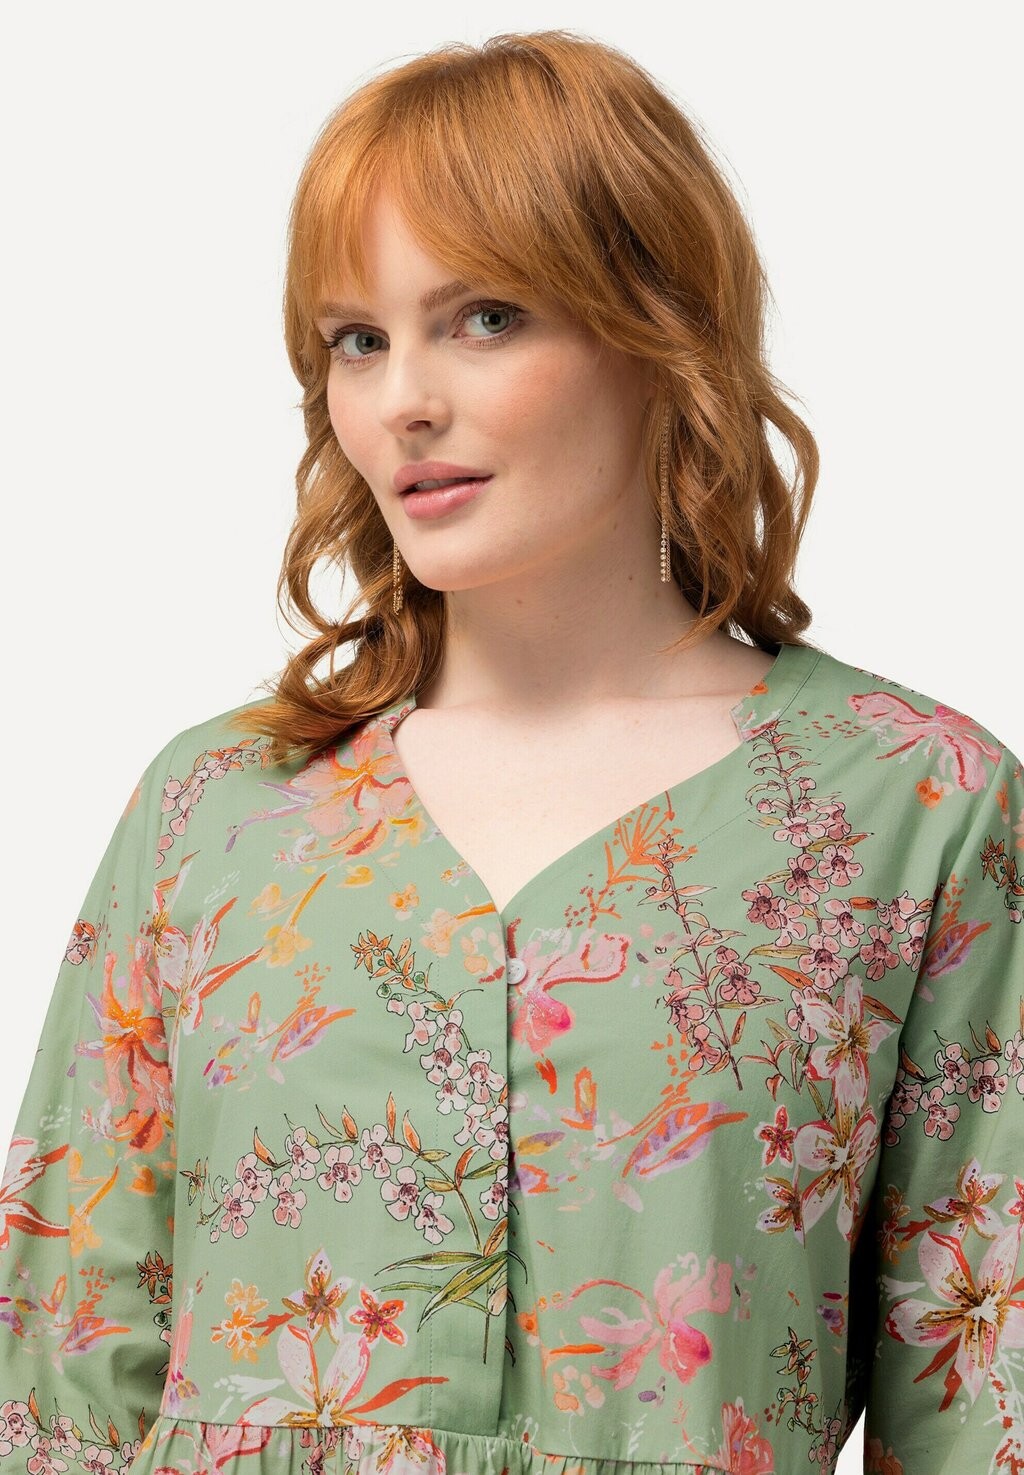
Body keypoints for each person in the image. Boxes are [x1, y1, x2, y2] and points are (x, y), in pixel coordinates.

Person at [1, 28, 1021, 1475]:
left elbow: (982, 1391)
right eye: (358, 340)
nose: (403, 400)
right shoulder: (217, 812)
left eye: (484, 318)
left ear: (655, 329)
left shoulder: (912, 805)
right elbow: (63, 1380)